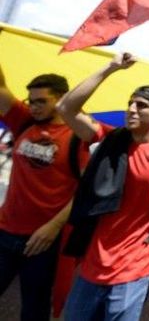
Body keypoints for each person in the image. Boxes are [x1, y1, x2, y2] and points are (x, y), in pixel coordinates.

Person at [57, 53, 149, 320]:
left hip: (134, 269)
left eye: (141, 105)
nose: (131, 109)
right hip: (91, 265)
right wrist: (110, 67)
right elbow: (65, 108)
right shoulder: (109, 139)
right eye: (130, 103)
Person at [0, 67, 90, 320]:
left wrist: (53, 226)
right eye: (31, 101)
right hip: (5, 230)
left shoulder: (78, 135)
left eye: (42, 101)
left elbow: (86, 190)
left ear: (61, 100)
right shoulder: (24, 120)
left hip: (43, 242)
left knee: (34, 308)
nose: (34, 107)